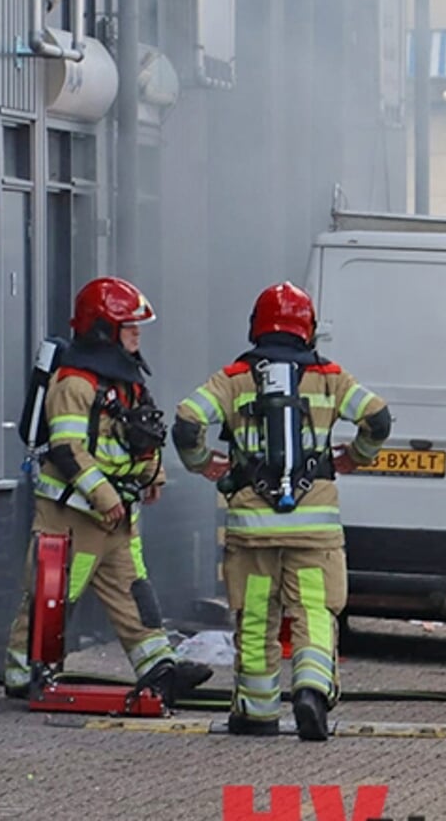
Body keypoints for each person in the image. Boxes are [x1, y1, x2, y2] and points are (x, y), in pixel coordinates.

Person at [172, 282, 393, 741]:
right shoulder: (330, 375)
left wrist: (201, 464)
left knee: (256, 617)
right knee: (313, 610)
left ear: (257, 325)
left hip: (252, 528)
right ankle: (311, 690)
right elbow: (378, 418)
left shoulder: (233, 376)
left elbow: (188, 421)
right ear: (307, 328)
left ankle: (256, 713)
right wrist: (356, 455)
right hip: (314, 530)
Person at [4, 275, 212, 704]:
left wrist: (153, 477)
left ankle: (160, 667)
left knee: (135, 593)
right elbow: (66, 448)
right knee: (53, 596)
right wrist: (105, 496)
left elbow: (143, 432)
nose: (137, 334)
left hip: (117, 517)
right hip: (73, 517)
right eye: (129, 326)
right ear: (103, 329)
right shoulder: (74, 383)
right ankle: (25, 673)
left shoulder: (125, 380)